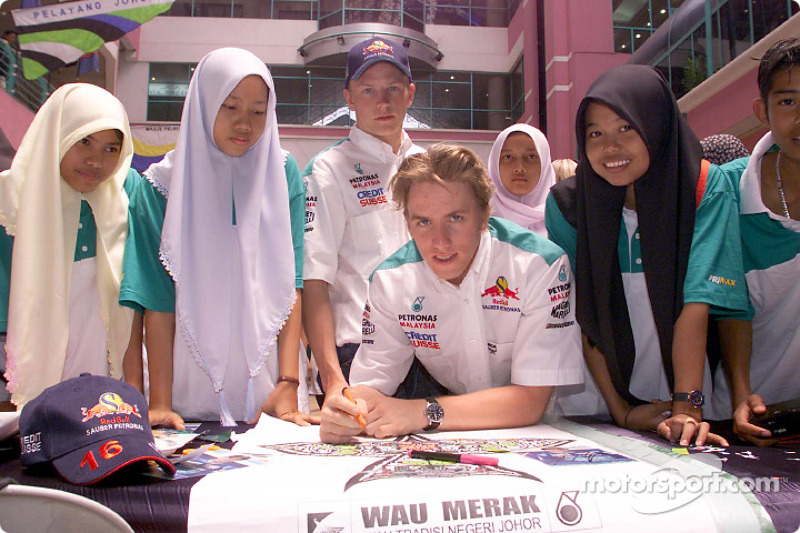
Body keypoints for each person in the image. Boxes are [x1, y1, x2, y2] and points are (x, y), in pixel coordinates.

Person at [320, 144, 583, 443]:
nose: (440, 241)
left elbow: (531, 402)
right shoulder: (390, 281)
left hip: (562, 423)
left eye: (455, 219)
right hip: (460, 428)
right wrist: (348, 412)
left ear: (485, 215)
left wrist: (422, 412)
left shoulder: (539, 265)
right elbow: (373, 384)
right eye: (423, 222)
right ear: (407, 222)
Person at [546, 65, 748, 446]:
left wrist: (687, 405)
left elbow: (697, 298)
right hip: (599, 392)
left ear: (656, 124)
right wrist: (620, 409)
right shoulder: (569, 205)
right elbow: (584, 310)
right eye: (595, 133)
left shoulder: (703, 187)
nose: (610, 148)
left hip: (688, 383)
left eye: (626, 127)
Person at [120, 48, 313, 428]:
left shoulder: (282, 172)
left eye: (259, 112)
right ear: (204, 103)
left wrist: (289, 381)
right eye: (230, 107)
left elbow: (291, 281)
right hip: (186, 388)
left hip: (274, 391)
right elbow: (156, 298)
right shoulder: (161, 185)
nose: (245, 125)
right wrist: (159, 401)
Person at [0, 83, 141, 408]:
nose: (95, 161)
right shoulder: (12, 199)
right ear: (57, 134)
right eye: (84, 141)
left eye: (111, 149)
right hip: (25, 385)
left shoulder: (122, 198)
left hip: (104, 381)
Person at [303, 37, 426, 408]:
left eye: (393, 88)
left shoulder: (431, 166)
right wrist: (331, 377)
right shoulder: (328, 169)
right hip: (358, 352)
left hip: (432, 351)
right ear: (349, 98)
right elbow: (314, 279)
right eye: (368, 89)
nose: (382, 101)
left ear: (410, 94)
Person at [715, 38, 800, 445]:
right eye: (788, 102)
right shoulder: (726, 189)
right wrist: (741, 392)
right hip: (740, 413)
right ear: (761, 111)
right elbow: (731, 304)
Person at [487, 124, 556, 236]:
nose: (520, 168)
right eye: (508, 157)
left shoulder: (564, 219)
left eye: (531, 157)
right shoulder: (479, 221)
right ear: (495, 164)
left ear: (544, 163)